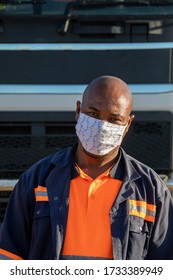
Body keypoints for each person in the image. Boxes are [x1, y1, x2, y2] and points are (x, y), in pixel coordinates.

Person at [0, 75, 173, 260]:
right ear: (77, 111)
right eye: (93, 114)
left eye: (114, 119)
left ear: (128, 124)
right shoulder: (36, 181)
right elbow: (9, 258)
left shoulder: (151, 191)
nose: (102, 126)